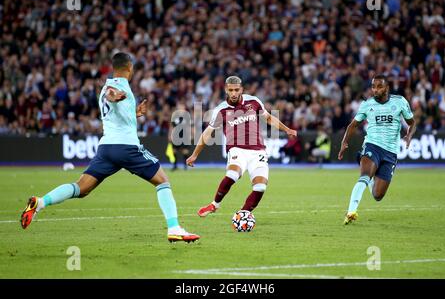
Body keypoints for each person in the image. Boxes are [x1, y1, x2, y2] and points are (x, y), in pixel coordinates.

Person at [20, 52, 200, 243]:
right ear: (129, 67)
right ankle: (174, 228)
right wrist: (115, 96)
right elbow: (111, 95)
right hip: (126, 147)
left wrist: (134, 113)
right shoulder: (116, 86)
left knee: (81, 188)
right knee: (163, 181)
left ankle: (40, 202)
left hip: (106, 148)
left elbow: (114, 110)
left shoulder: (110, 86)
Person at [186, 76, 297, 216]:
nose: (233, 93)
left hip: (258, 151)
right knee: (232, 174)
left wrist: (287, 130)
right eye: (230, 90)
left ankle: (242, 214)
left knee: (260, 187)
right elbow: (207, 133)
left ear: (241, 90)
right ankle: (214, 205)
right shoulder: (221, 110)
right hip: (237, 149)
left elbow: (268, 118)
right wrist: (195, 154)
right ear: (226, 90)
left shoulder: (253, 101)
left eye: (236, 90)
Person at [338, 75, 416, 225]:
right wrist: (344, 143)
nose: (375, 90)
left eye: (379, 86)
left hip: (391, 152)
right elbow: (353, 125)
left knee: (378, 195)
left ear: (387, 88)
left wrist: (409, 135)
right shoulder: (367, 104)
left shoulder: (399, 102)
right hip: (372, 145)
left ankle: (372, 172)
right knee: (364, 177)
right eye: (373, 87)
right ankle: (351, 211)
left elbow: (412, 123)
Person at [168, 103, 190, 171]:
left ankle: (185, 166)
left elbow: (189, 127)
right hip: (175, 136)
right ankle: (175, 166)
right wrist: (169, 135)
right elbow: (171, 127)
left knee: (185, 151)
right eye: (179, 108)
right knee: (174, 151)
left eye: (182, 108)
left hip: (184, 136)